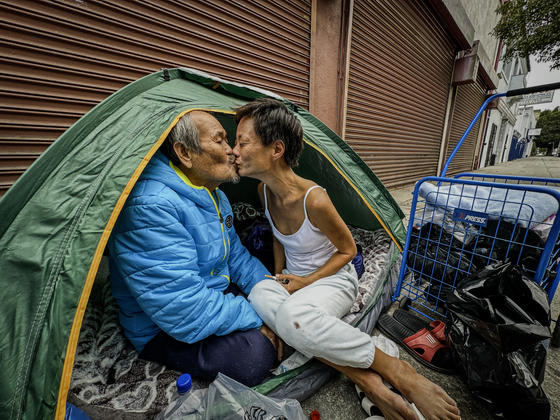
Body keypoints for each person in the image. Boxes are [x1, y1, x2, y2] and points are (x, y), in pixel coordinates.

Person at [232, 98, 461, 420]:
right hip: (297, 282)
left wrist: (306, 282)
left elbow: (349, 251)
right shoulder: (263, 193)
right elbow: (276, 237)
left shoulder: (315, 199)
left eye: (242, 143)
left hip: (332, 280)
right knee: (259, 292)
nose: (233, 151)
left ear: (276, 149)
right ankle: (370, 382)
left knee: (291, 318)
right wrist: (280, 275)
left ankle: (398, 373)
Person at [107, 110, 282, 387]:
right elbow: (183, 309)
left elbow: (235, 257)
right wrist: (259, 319)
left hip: (210, 290)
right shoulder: (150, 206)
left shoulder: (215, 193)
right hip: (164, 324)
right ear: (184, 153)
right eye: (220, 140)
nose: (232, 150)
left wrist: (276, 303)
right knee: (253, 357)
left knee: (272, 280)